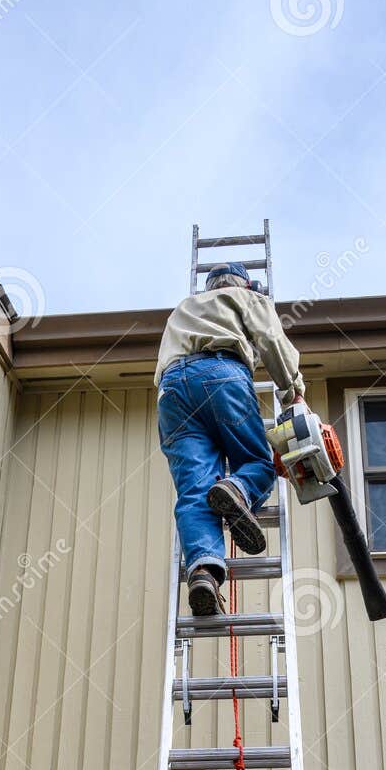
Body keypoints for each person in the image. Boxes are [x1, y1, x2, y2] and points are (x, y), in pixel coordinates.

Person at [156, 261, 306, 617]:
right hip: (221, 374)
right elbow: (271, 340)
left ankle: (204, 572)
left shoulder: (183, 308)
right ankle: (237, 489)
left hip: (172, 391)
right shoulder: (246, 297)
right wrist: (293, 392)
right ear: (247, 284)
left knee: (194, 490)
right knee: (257, 462)